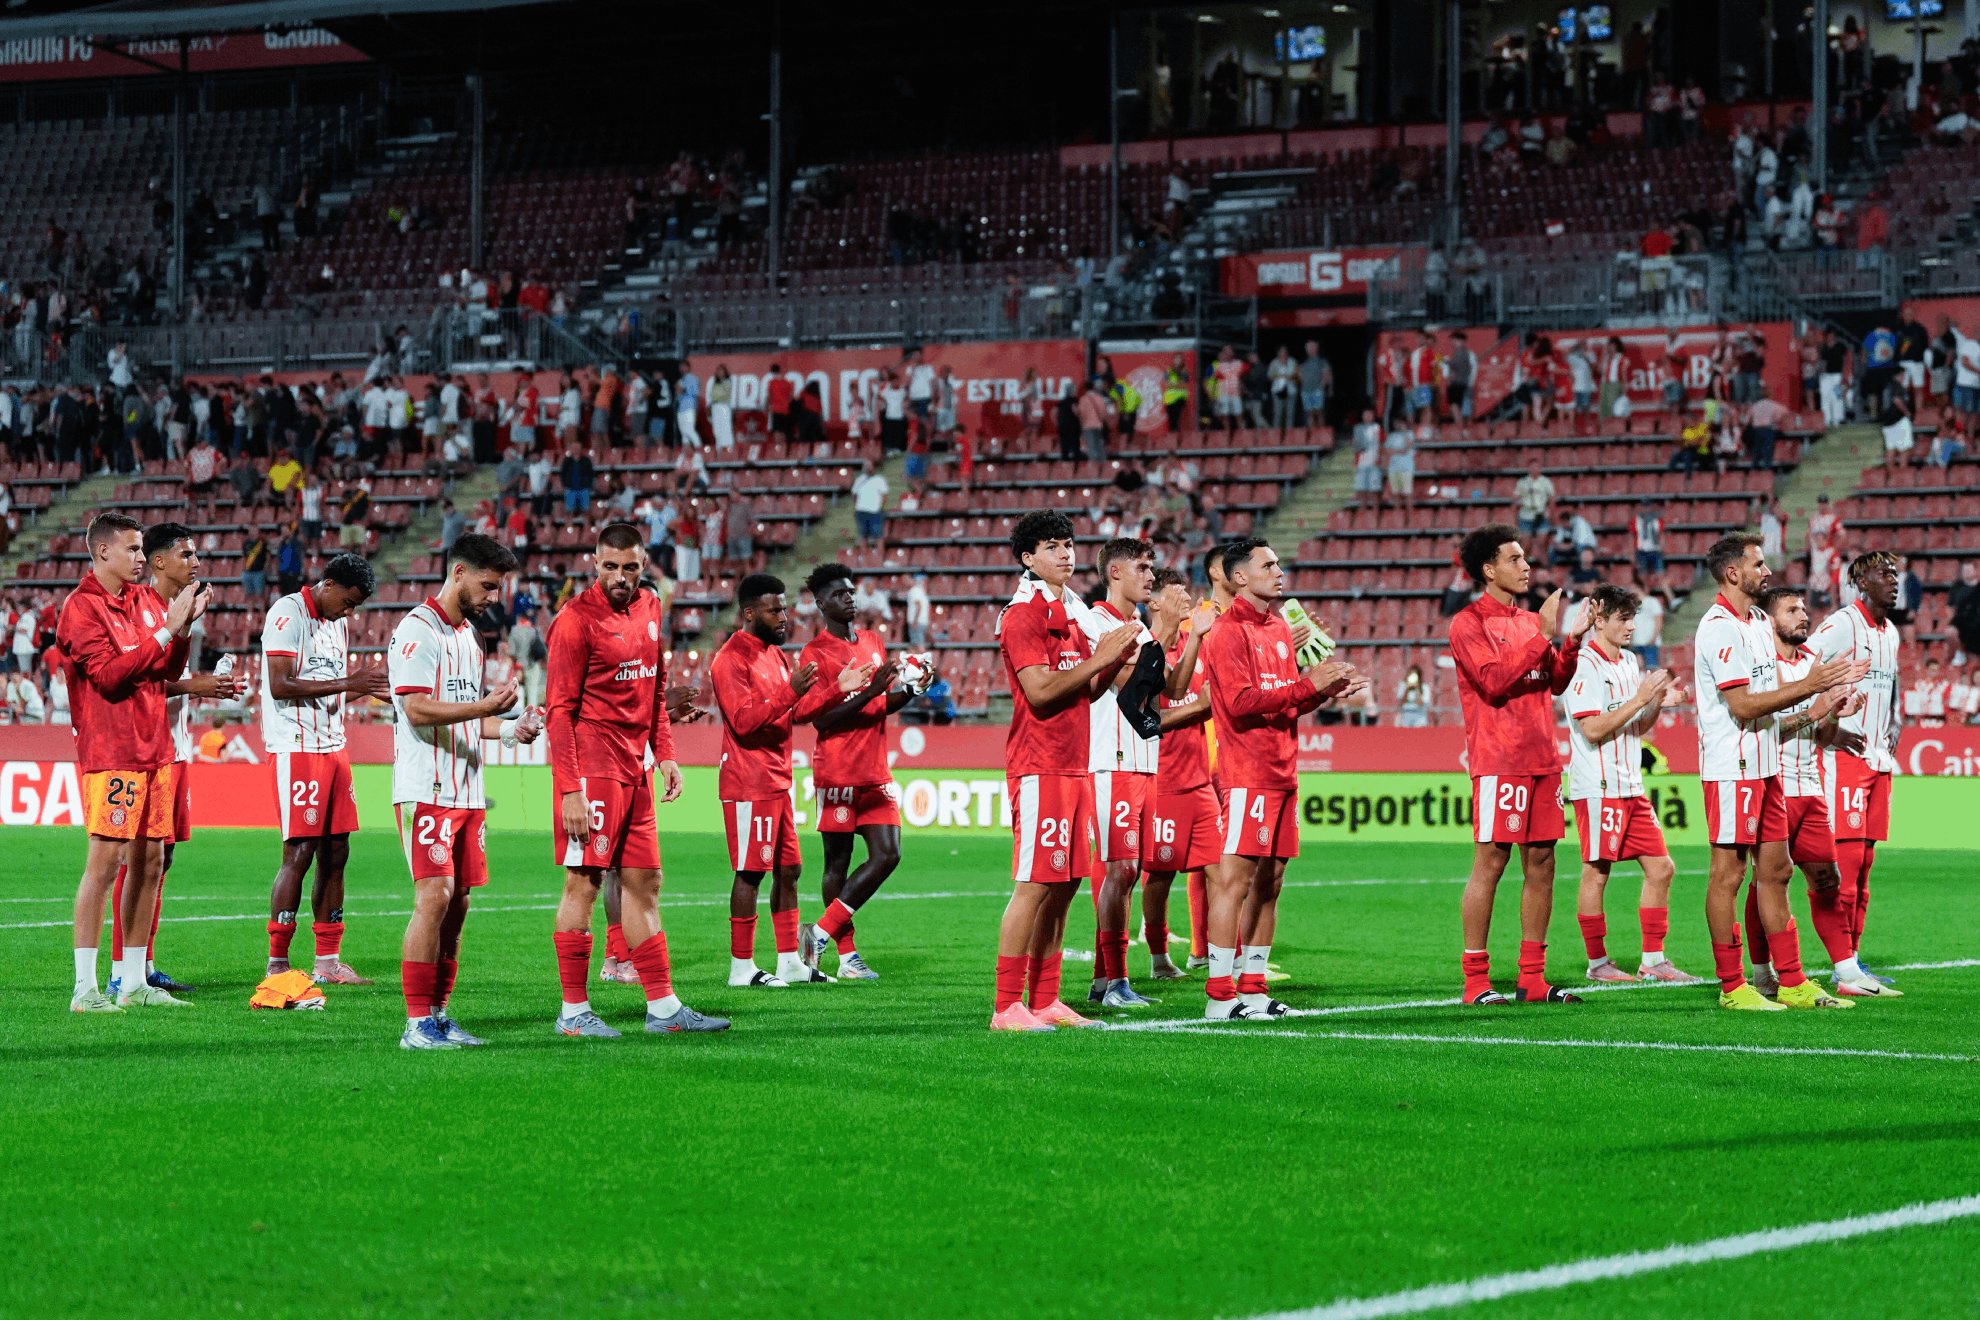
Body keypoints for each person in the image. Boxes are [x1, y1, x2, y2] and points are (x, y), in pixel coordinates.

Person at [545, 524, 724, 1038]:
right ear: (593, 563)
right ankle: (574, 1013)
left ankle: (664, 1010)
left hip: (636, 768)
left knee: (646, 883)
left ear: (644, 565)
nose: (621, 577)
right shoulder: (575, 621)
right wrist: (570, 789)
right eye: (610, 567)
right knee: (584, 881)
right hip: (594, 768)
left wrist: (664, 753)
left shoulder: (650, 608)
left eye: (630, 567)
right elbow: (559, 712)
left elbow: (656, 687)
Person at [1693, 533, 1863, 1012]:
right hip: (1733, 769)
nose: (1767, 572)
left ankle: (1790, 981)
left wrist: (1817, 709)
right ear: (1733, 572)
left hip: (1767, 767)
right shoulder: (1720, 627)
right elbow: (1743, 704)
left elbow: (1768, 715)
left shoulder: (1756, 623)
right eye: (1759, 564)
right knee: (1728, 874)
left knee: (1777, 872)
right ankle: (1733, 986)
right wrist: (1811, 685)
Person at [388, 533, 542, 1049]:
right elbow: (416, 710)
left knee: (459, 905)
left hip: (467, 791)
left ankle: (438, 1013)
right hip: (426, 787)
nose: (494, 596)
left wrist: (512, 727)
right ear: (458, 573)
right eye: (488, 585)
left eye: (498, 587)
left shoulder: (468, 638)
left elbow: (469, 719)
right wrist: (484, 709)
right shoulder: (418, 630)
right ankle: (414, 1024)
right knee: (433, 897)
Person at [989, 510, 1140, 1031]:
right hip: (1040, 764)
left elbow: (1087, 691)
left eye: (1070, 544)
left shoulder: (1071, 607)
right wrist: (1102, 659)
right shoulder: (1022, 613)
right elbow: (1041, 692)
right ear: (1028, 557)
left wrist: (1112, 664)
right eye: (1053, 546)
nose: (1067, 554)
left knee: (1068, 883)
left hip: (1075, 763)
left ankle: (1046, 999)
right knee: (1034, 885)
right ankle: (1006, 1006)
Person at [1199, 538, 1362, 1019]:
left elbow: (1288, 698)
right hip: (1247, 771)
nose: (1279, 571)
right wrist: (1311, 683)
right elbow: (1241, 702)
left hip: (1283, 769)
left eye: (1278, 563)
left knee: (1271, 882)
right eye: (1267, 565)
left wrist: (1324, 691)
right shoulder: (1226, 633)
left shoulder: (1277, 628)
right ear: (1240, 577)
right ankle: (1219, 996)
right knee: (1234, 882)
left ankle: (1253, 988)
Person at [57, 513, 203, 1012]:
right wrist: (166, 633)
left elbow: (167, 669)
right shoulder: (81, 609)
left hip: (155, 750)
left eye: (143, 550)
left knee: (150, 861)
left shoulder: (143, 601)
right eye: (134, 549)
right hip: (112, 753)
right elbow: (111, 677)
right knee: (105, 864)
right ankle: (85, 989)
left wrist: (181, 631)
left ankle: (135, 981)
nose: (143, 558)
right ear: (103, 553)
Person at [1448, 523, 1592, 1005]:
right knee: (1491, 861)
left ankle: (1532, 978)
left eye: (1525, 557)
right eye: (1514, 559)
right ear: (1488, 570)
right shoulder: (1467, 623)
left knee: (1543, 863)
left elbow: (1554, 683)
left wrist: (1568, 643)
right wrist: (1544, 635)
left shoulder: (1532, 622)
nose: (1526, 565)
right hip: (1498, 758)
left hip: (1543, 757)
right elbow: (1493, 682)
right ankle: (1476, 981)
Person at [105, 523, 245, 998]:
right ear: (159, 562)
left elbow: (168, 679)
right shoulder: (139, 611)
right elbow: (134, 682)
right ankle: (120, 969)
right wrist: (196, 685)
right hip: (142, 752)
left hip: (176, 748)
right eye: (186, 554)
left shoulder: (180, 611)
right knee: (134, 857)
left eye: (197, 554)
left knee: (160, 860)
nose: (196, 562)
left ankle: (141, 963)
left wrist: (206, 684)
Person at [259, 553, 390, 984]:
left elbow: (329, 693)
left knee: (338, 853)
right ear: (328, 584)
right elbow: (280, 685)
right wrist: (350, 682)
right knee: (299, 853)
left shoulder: (339, 623)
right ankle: (278, 962)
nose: (350, 612)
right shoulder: (287, 613)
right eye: (348, 602)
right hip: (297, 748)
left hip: (335, 747)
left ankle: (328, 962)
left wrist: (367, 692)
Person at [1565, 584, 1696, 985]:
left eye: (1633, 618)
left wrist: (1656, 702)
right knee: (1597, 872)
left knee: (1661, 868)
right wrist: (1641, 698)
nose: (1631, 626)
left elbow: (1637, 726)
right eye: (1623, 618)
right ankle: (1598, 963)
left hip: (1630, 785)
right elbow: (1591, 729)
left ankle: (1653, 960)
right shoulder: (1583, 664)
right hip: (1599, 785)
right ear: (1598, 620)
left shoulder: (1628, 662)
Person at [794, 563, 918, 981]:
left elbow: (877, 706)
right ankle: (847, 957)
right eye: (839, 594)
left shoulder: (872, 642)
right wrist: (869, 689)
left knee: (888, 854)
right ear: (821, 603)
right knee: (837, 865)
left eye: (851, 592)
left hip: (875, 769)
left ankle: (819, 933)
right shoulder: (815, 653)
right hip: (839, 772)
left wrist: (912, 691)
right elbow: (822, 720)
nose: (849, 598)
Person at [1751, 584, 1874, 999]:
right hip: (1775, 785)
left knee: (1827, 880)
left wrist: (1834, 714)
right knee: (1768, 881)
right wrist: (1813, 710)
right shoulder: (1762, 667)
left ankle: (1848, 972)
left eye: (1804, 609)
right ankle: (1763, 974)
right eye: (1792, 610)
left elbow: (1821, 736)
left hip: (1811, 786)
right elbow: (1764, 732)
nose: (1804, 616)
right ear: (1770, 620)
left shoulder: (1811, 664)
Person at [710, 573, 828, 988]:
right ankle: (741, 968)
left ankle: (790, 961)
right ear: (748, 613)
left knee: (790, 869)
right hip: (748, 781)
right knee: (750, 872)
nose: (783, 616)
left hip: (777, 780)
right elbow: (743, 722)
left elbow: (792, 710)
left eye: (784, 608)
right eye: (774, 609)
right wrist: (788, 693)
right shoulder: (730, 659)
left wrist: (838, 691)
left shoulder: (774, 656)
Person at [1809, 551, 1905, 997]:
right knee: (1845, 866)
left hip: (1879, 761)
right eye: (1884, 573)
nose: (1893, 580)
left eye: (1895, 573)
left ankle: (1854, 963)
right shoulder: (1843, 623)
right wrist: (1824, 728)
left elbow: (1891, 682)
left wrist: (1895, 716)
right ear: (1861, 582)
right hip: (1844, 759)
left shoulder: (1891, 633)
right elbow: (1804, 668)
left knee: (1865, 866)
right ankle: (1842, 967)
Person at [1078, 538, 1165, 1009]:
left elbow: (1158, 687)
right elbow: (1125, 682)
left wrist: (1168, 637)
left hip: (1145, 758)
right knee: (1121, 869)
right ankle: (1115, 983)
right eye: (1143, 567)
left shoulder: (1140, 628)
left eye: (1152, 568)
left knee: (1132, 873)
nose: (1151, 576)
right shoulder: (1095, 622)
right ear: (1115, 572)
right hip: (1109, 759)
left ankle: (1103, 980)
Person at [1139, 568, 1218, 981]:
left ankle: (1220, 960)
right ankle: (1157, 956)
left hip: (1200, 780)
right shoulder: (1145, 649)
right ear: (1154, 601)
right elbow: (1148, 718)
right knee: (1161, 875)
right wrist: (1198, 708)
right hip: (1164, 780)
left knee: (1222, 869)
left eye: (1188, 589)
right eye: (1177, 591)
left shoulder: (1193, 644)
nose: (1187, 597)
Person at [850, 459, 888, 549]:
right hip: (861, 512)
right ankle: (864, 558)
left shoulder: (879, 479)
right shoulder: (859, 480)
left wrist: (880, 507)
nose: (868, 468)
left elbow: (885, 495)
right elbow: (854, 495)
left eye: (870, 466)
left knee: (878, 536)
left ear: (874, 467)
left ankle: (879, 556)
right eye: (867, 466)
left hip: (875, 512)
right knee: (863, 536)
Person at [1513, 462, 1555, 540]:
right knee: (1526, 543)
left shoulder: (1546, 481)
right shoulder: (1523, 482)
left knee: (1542, 542)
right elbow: (1516, 499)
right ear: (1529, 468)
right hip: (1526, 516)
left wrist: (1551, 513)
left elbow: (1552, 498)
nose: (1535, 469)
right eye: (1532, 467)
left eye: (1537, 467)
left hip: (1542, 515)